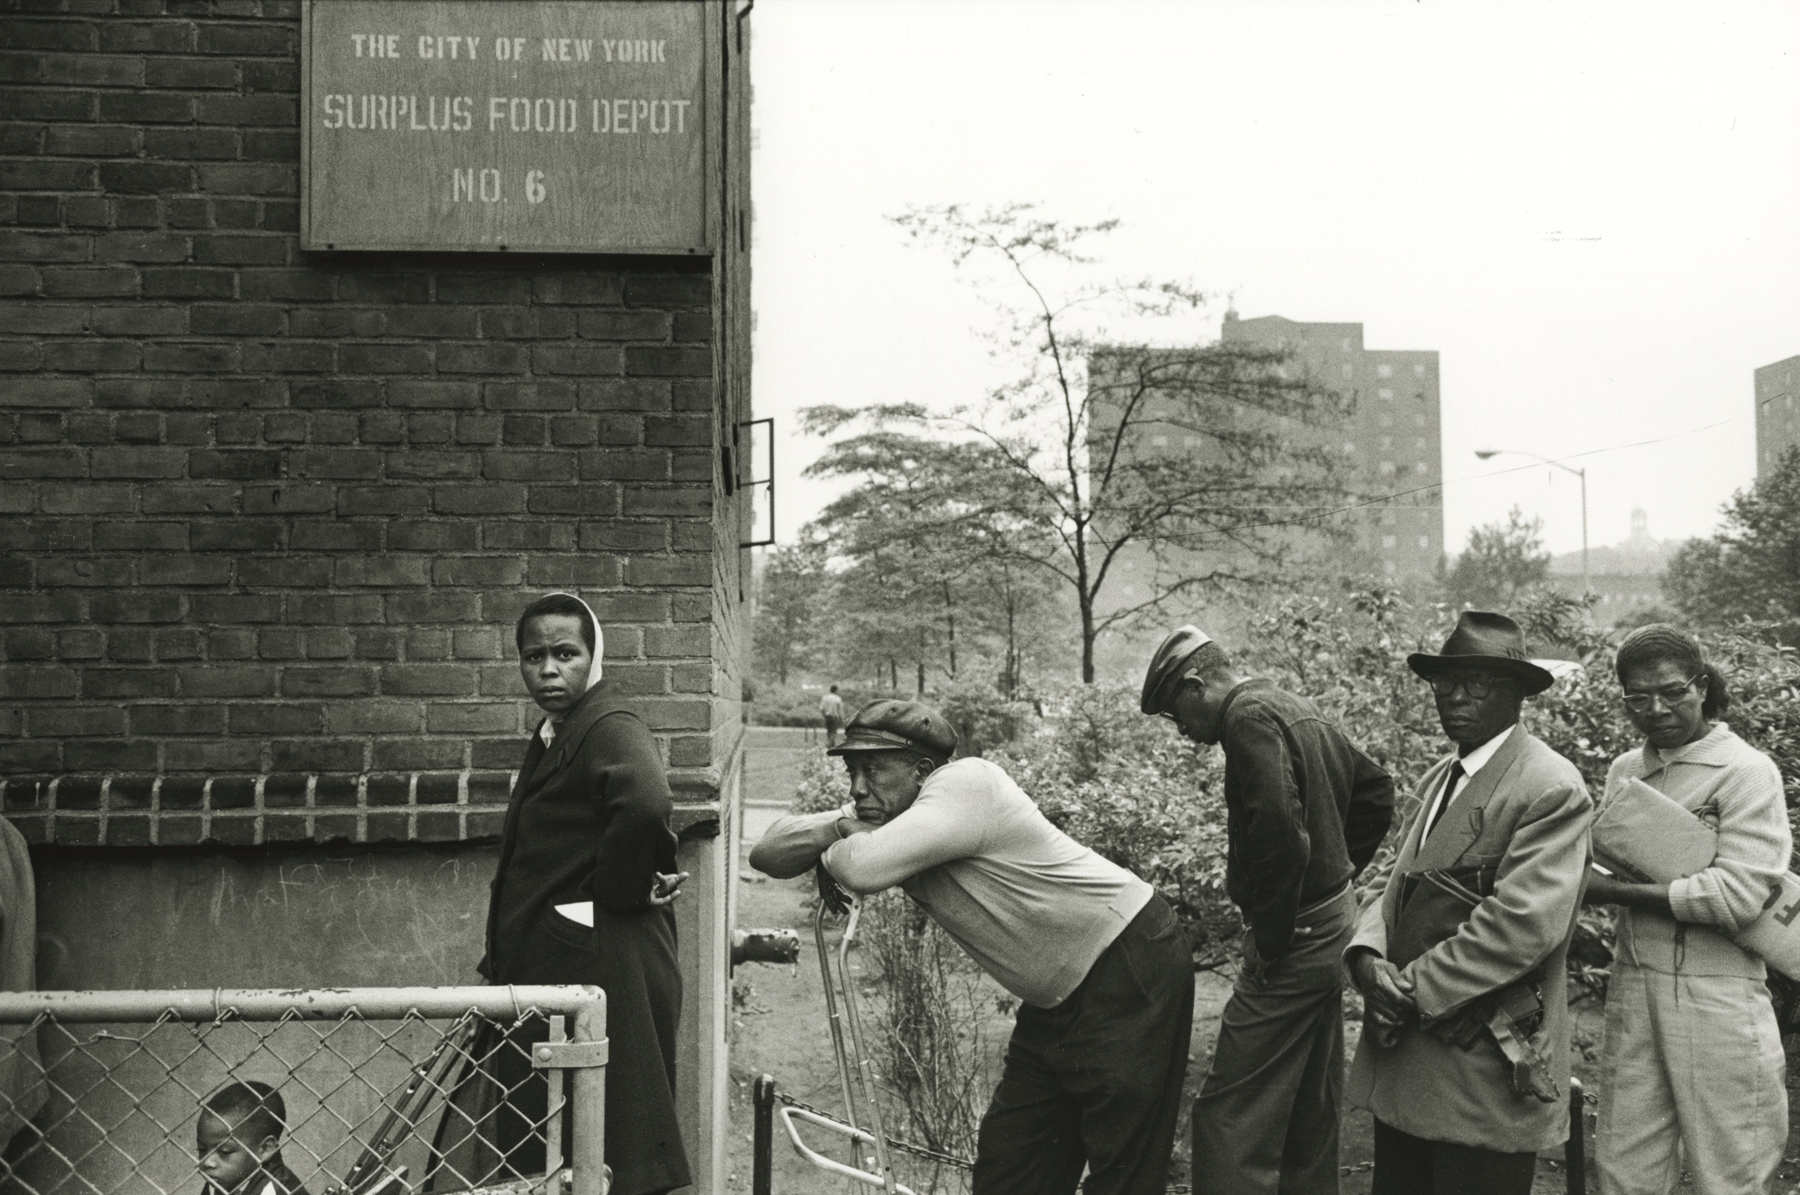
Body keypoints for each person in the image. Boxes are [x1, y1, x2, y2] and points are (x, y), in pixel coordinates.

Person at [749, 699, 1193, 1195]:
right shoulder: (888, 811)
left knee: (1124, 1169)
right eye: (852, 771)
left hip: (1128, 959)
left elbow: (861, 868)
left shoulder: (968, 784)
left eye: (872, 769)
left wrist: (841, 845)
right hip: (1055, 997)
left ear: (923, 771)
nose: (856, 788)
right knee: (1011, 1169)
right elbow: (767, 852)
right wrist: (840, 827)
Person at [1140, 626, 1395, 1195]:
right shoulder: (1290, 704)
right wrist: (1334, 877)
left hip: (1296, 937)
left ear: (1196, 684)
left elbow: (1279, 832)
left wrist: (1273, 935)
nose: (1181, 730)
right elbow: (1377, 792)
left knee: (1228, 1113)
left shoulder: (1247, 719)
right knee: (1309, 1101)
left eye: (1175, 713)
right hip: (1333, 924)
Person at [1345, 610, 1591, 1195]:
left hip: (1481, 1063)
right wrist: (1367, 961)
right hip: (1406, 1060)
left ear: (1517, 692)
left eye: (1478, 683)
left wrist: (1404, 992)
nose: (1456, 696)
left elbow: (1520, 926)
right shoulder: (1441, 775)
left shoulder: (1550, 785)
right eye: (1444, 681)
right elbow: (1389, 884)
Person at [477, 592, 691, 1195]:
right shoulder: (561, 730)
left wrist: (619, 893)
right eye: (534, 656)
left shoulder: (609, 724)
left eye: (565, 654)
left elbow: (646, 804)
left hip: (604, 964)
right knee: (569, 1142)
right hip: (573, 963)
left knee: (609, 1145)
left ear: (593, 658)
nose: (548, 670)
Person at [1584, 624, 1789, 1195]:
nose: (1656, 709)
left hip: (1718, 993)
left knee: (1732, 1171)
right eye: (1637, 697)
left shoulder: (1746, 771)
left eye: (1673, 692)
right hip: (1634, 982)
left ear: (1701, 686)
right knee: (1624, 1168)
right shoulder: (1626, 770)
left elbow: (1738, 897)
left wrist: (1611, 893)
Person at [197, 1081, 311, 1195]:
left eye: (224, 1152)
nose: (207, 1162)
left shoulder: (274, 1190)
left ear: (265, 1149)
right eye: (202, 1149)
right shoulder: (221, 1180)